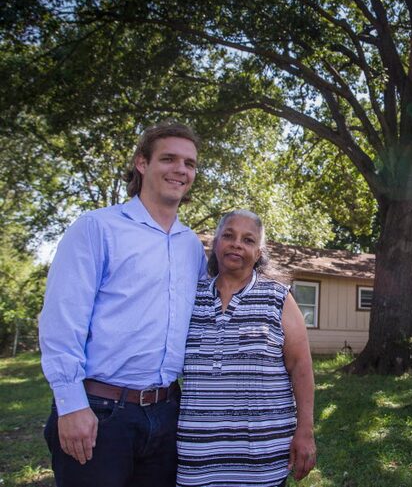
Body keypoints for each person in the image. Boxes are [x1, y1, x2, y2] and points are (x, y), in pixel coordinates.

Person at [39, 123, 208, 487]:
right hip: (100, 413)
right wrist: (71, 405)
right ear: (142, 164)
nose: (181, 169)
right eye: (169, 158)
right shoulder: (97, 228)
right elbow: (61, 320)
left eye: (190, 163)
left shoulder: (190, 245)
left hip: (167, 415)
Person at [176, 210, 316, 487]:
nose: (237, 244)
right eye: (228, 235)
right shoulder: (189, 296)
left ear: (259, 251)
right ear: (215, 243)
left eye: (248, 239)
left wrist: (305, 431)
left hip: (262, 458)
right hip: (197, 455)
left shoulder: (278, 297)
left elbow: (301, 368)